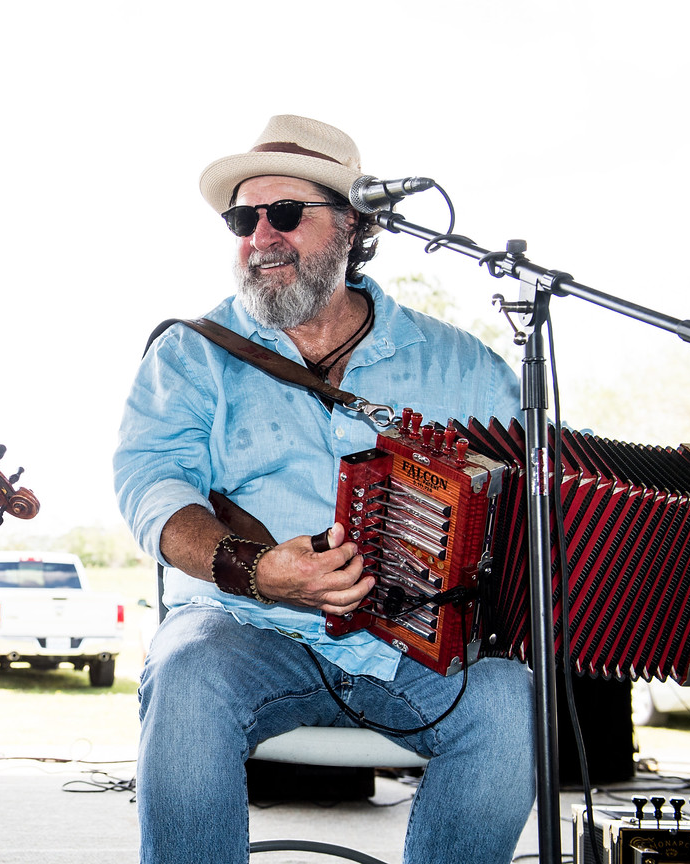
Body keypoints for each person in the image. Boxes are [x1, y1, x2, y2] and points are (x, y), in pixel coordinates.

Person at [112, 115, 535, 864]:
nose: (259, 236)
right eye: (243, 219)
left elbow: (543, 499)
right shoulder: (189, 356)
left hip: (420, 650)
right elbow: (153, 484)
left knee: (508, 702)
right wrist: (256, 570)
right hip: (245, 630)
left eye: (284, 214)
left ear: (352, 224)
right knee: (186, 669)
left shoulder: (462, 364)